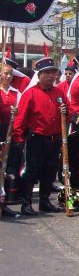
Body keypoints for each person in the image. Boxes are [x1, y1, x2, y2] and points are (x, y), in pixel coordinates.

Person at [13, 55, 67, 215]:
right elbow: (20, 117)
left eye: (53, 72)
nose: (51, 75)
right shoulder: (30, 93)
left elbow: (66, 112)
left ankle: (44, 201)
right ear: (40, 75)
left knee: (50, 171)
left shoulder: (59, 92)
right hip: (37, 139)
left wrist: (66, 111)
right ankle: (26, 203)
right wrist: (18, 138)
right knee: (32, 171)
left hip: (55, 139)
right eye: (47, 72)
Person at [0, 63, 21, 217]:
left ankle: (4, 202)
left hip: (10, 131)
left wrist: (16, 112)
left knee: (8, 168)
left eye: (10, 74)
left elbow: (20, 112)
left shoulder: (16, 92)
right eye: (5, 73)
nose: (8, 76)